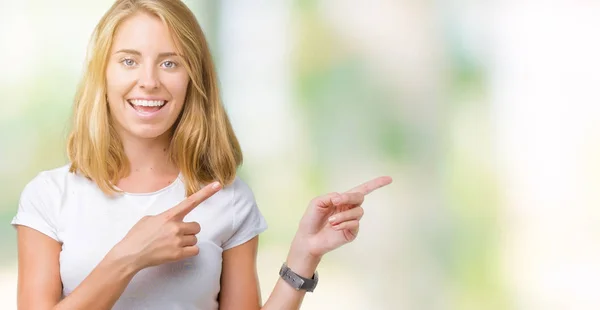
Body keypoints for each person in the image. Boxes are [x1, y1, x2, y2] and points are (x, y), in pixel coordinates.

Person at [10, 0, 393, 309]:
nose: (149, 80)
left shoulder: (228, 198)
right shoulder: (49, 197)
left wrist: (303, 256)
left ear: (194, 78)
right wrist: (128, 257)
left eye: (170, 62)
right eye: (129, 61)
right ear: (103, 74)